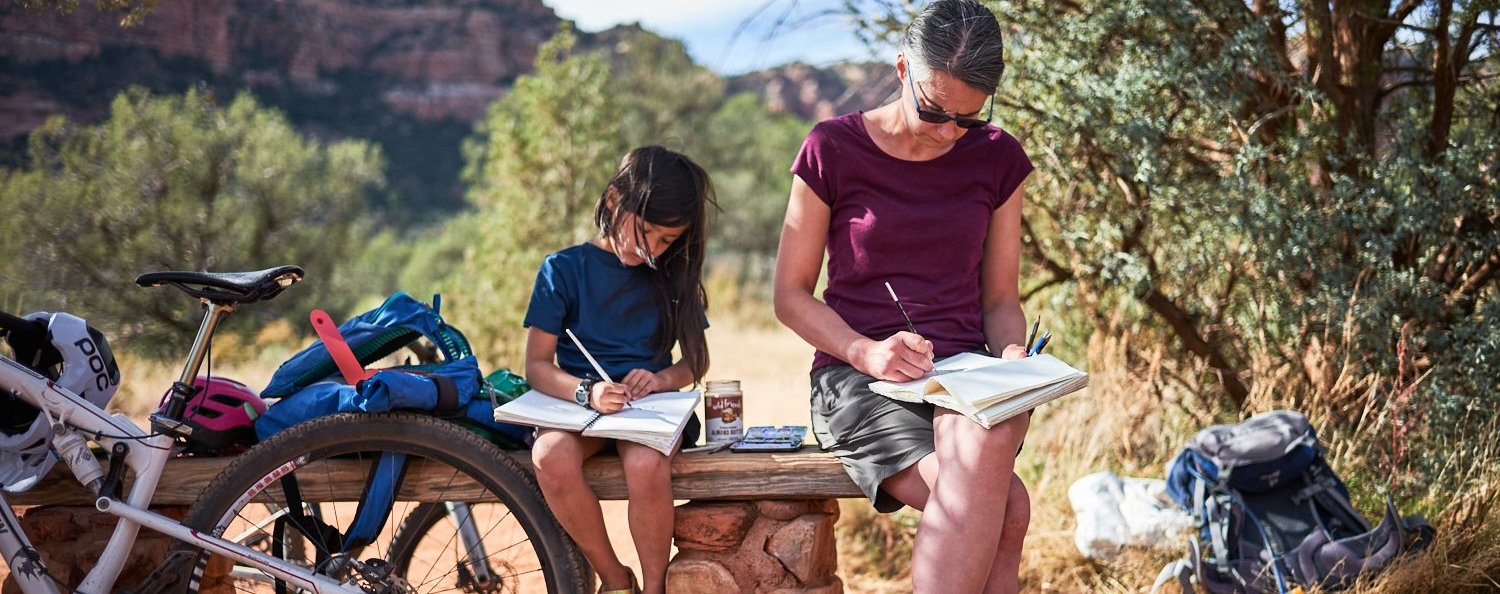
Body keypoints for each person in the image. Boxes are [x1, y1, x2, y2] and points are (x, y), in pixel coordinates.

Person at [772, 1, 1034, 592]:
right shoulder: (830, 149)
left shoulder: (998, 158)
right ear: (900, 69)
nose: (948, 132)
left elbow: (1000, 303)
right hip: (857, 379)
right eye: (934, 109)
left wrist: (1014, 356)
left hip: (967, 376)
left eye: (966, 119)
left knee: (985, 441)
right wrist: (865, 352)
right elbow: (790, 297)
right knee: (1008, 512)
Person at [524, 145, 715, 594]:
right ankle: (614, 578)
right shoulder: (563, 270)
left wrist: (662, 379)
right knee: (549, 456)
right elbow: (535, 365)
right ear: (613, 200)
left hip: (650, 414)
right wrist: (585, 392)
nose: (652, 248)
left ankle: (654, 587)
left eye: (667, 240)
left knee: (647, 464)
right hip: (580, 412)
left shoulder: (672, 274)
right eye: (646, 230)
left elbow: (696, 360)